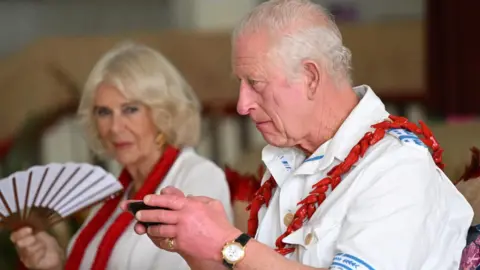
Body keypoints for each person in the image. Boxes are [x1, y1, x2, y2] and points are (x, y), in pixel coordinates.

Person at [124, 0, 474, 269]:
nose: (243, 104)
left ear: (310, 77)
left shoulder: (398, 166)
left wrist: (226, 241)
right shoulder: (291, 159)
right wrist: (196, 244)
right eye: (240, 84)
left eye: (255, 84)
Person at [9, 42, 233, 270]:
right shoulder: (112, 197)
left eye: (130, 109)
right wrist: (55, 265)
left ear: (162, 112)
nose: (115, 127)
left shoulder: (199, 178)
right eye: (104, 112)